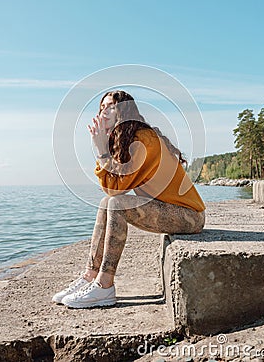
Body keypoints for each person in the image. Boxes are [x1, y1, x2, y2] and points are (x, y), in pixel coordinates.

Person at [52, 90, 205, 308]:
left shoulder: (143, 140)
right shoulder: (126, 139)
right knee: (107, 204)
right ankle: (89, 276)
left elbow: (117, 191)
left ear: (124, 111)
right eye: (101, 107)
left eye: (110, 107)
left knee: (116, 205)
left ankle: (105, 286)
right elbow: (110, 190)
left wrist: (100, 151)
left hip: (189, 216)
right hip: (170, 211)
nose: (103, 112)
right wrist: (104, 149)